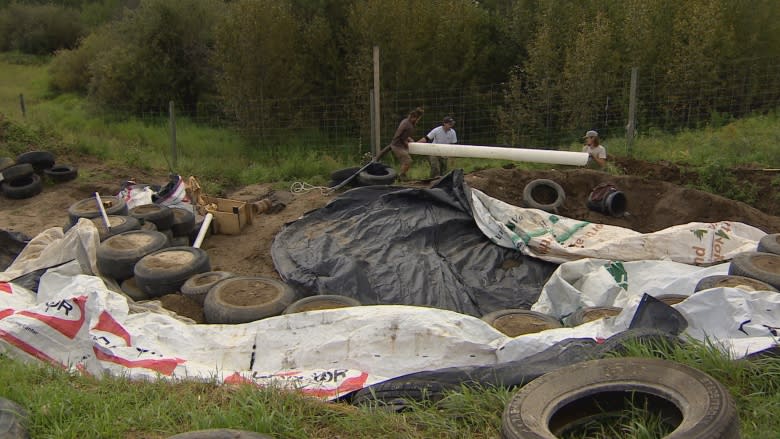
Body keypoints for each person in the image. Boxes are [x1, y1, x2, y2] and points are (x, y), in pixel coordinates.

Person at [376, 107, 424, 180]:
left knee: (383, 154)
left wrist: (409, 138)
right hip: (398, 146)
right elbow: (402, 138)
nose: (418, 121)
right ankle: (401, 176)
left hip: (395, 143)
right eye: (418, 119)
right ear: (414, 118)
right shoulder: (409, 126)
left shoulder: (405, 121)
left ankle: (375, 160)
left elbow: (401, 134)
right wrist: (407, 144)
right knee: (408, 161)